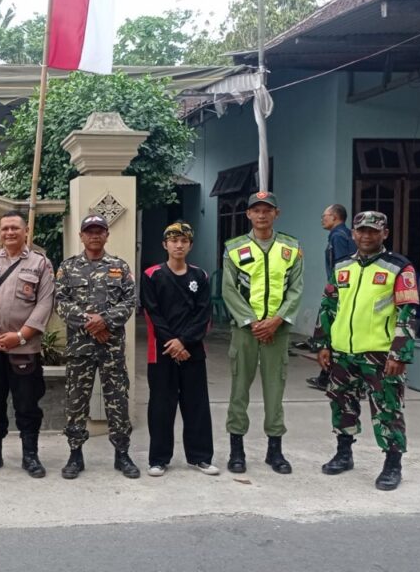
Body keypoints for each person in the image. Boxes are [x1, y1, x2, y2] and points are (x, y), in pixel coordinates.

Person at [313, 211, 418, 491]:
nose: (367, 236)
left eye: (373, 231)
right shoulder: (341, 266)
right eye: (362, 231)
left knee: (388, 410)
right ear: (353, 234)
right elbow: (328, 306)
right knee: (341, 402)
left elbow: (406, 313)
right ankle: (344, 453)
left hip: (380, 355)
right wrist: (322, 344)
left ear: (384, 233)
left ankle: (392, 464)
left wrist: (399, 354)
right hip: (343, 353)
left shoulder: (399, 267)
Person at [0, 210, 55, 478]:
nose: (9, 233)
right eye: (5, 228)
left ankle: (30, 454)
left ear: (26, 231)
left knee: (27, 404)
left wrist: (20, 336)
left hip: (24, 349)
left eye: (15, 228)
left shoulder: (40, 264)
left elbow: (45, 304)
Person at [222, 191, 304, 475]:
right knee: (238, 390)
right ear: (248, 215)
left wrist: (277, 321)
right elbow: (229, 289)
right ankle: (237, 450)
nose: (261, 215)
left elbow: (295, 289)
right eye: (256, 210)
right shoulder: (234, 248)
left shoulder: (290, 248)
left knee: (274, 390)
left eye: (267, 210)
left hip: (277, 331)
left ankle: (275, 451)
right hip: (246, 331)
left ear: (276, 214)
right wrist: (251, 322)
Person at [54, 215, 140, 480]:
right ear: (81, 236)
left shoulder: (119, 267)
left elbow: (130, 301)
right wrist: (90, 323)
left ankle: (122, 454)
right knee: (76, 400)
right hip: (80, 348)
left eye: (99, 231)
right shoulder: (68, 268)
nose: (94, 235)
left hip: (111, 347)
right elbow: (60, 301)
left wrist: (105, 322)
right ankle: (75, 454)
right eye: (89, 231)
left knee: (117, 400)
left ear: (106, 235)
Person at [140, 221, 219, 477]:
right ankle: (159, 458)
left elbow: (203, 315)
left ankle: (200, 457)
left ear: (190, 245)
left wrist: (184, 342)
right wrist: (172, 343)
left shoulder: (201, 276)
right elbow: (152, 313)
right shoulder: (152, 275)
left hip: (192, 350)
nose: (178, 245)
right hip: (161, 351)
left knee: (196, 404)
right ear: (165, 245)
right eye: (173, 240)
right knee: (161, 405)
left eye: (184, 241)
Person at [304, 204, 357, 390]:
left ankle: (328, 377)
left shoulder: (338, 236)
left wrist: (336, 291)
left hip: (339, 293)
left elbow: (342, 267)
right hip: (343, 291)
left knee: (330, 331)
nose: (322, 219)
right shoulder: (344, 234)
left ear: (335, 217)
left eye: (324, 216)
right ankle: (328, 376)